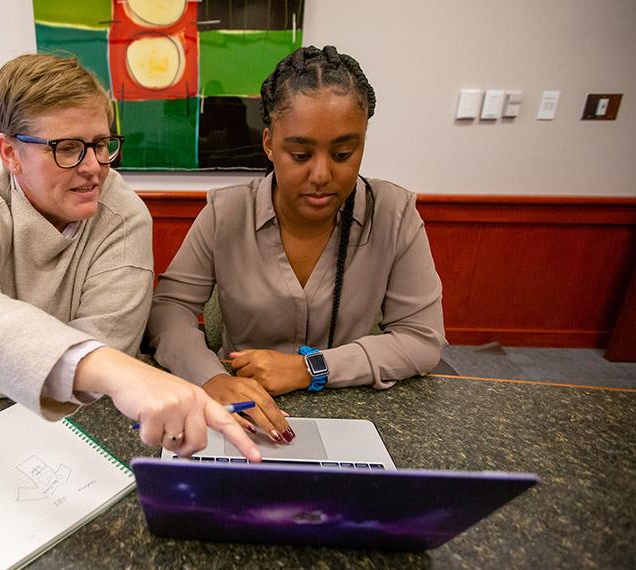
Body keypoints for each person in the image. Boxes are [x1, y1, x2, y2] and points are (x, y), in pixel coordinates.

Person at [0, 53, 258, 461]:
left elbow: (109, 343)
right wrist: (110, 369)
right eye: (68, 149)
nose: (94, 167)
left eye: (99, 144)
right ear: (9, 153)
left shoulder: (125, 216)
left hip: (68, 420)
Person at [147, 46, 446, 442]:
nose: (321, 174)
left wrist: (312, 368)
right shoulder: (227, 212)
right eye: (300, 153)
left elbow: (422, 339)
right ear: (269, 143)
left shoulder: (393, 214)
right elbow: (169, 309)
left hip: (353, 412)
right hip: (242, 410)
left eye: (343, 153)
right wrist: (212, 379)